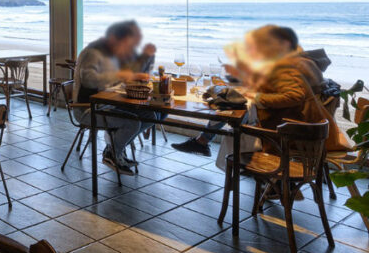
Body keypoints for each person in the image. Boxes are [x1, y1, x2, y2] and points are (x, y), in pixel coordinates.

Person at [172, 25, 325, 156]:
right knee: (233, 99)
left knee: (231, 105)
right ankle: (203, 141)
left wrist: (256, 97)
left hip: (285, 132)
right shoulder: (303, 61)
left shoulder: (289, 67)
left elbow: (294, 96)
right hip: (302, 128)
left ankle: (205, 142)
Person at [73, 21, 156, 175]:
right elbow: (89, 79)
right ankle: (113, 153)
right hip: (87, 110)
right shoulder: (93, 53)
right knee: (133, 123)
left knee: (150, 116)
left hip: (105, 105)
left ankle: (115, 149)